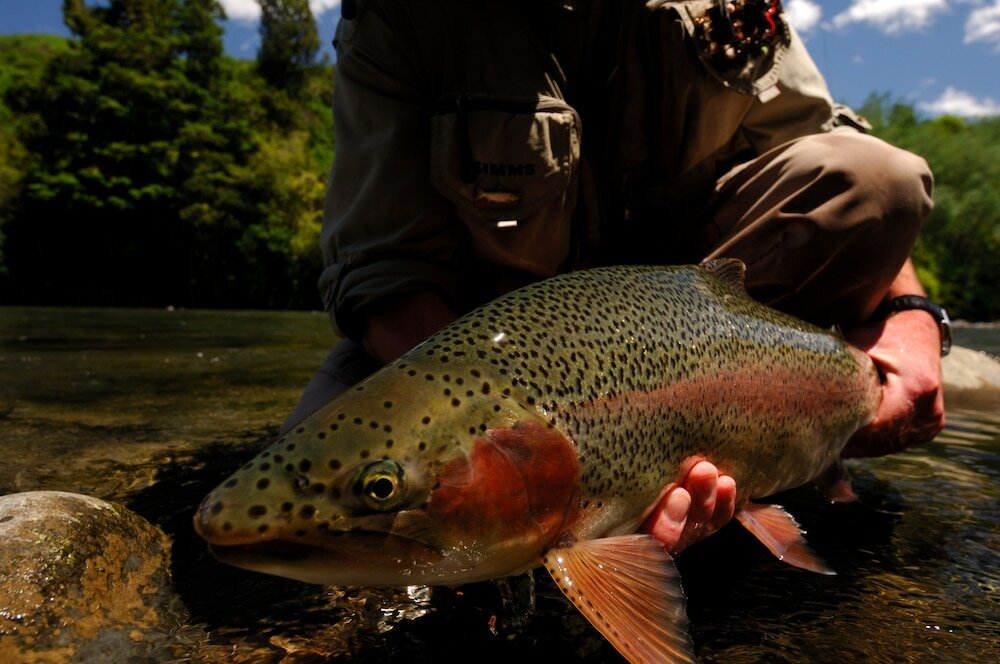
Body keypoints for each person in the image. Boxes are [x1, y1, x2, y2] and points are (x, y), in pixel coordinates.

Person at [284, 0, 947, 554]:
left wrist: (912, 316)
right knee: (332, 537)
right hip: (474, 344)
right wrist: (515, 453)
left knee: (882, 178)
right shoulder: (404, 13)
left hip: (693, 321)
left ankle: (772, 429)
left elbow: (837, 156)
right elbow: (380, 270)